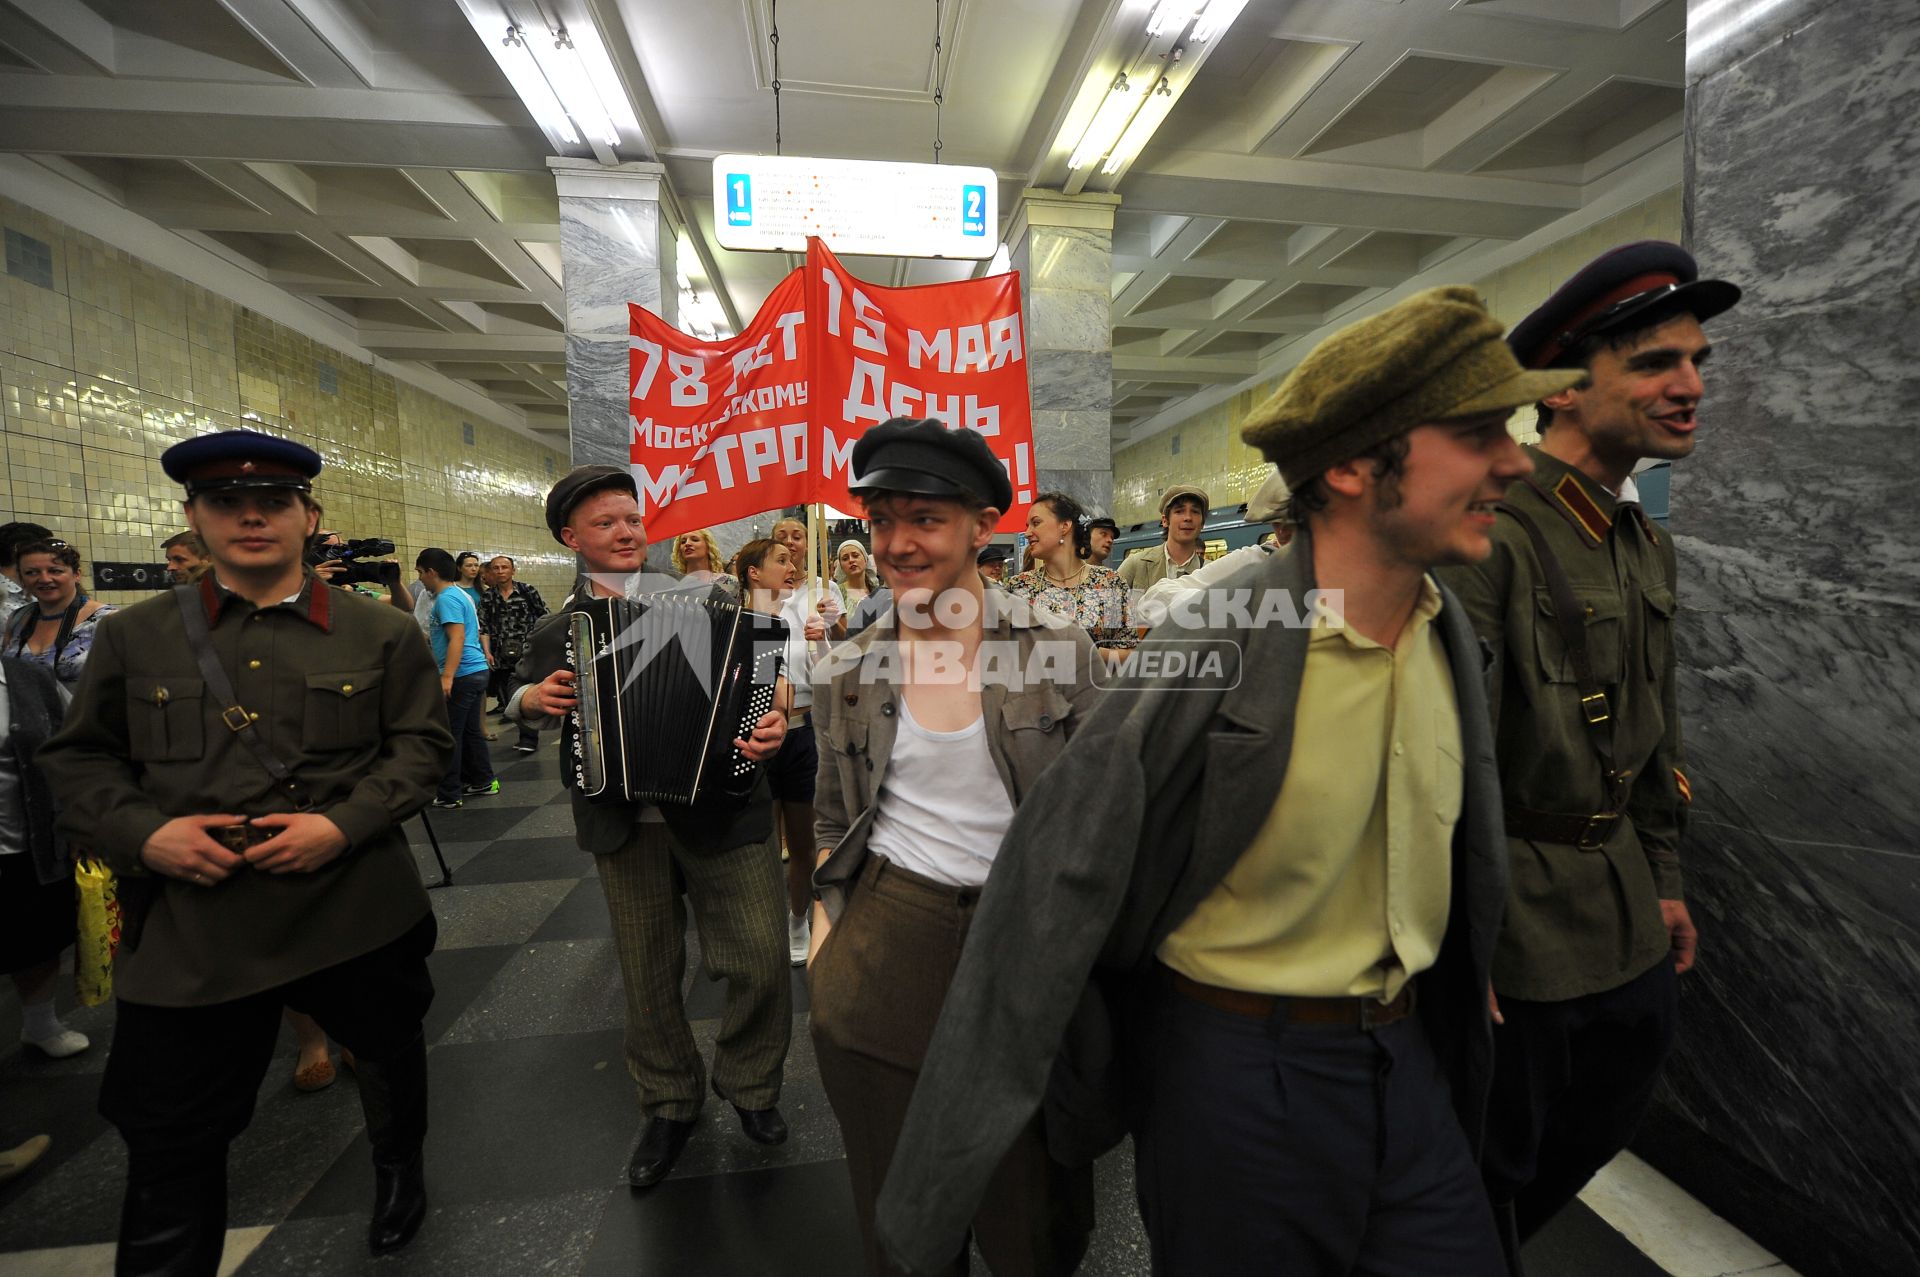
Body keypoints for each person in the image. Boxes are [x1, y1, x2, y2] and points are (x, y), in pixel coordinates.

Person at [872, 287, 1584, 1277]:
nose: (1515, 459)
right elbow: (1058, 866)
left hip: (1407, 1055)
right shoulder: (1217, 638)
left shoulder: (1444, 628)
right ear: (1346, 466)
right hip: (1244, 1075)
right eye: (1474, 433)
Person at [37, 428, 452, 1269]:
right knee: (170, 1132)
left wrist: (342, 823)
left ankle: (398, 1166)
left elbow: (421, 748)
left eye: (274, 502)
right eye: (227, 502)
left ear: (311, 517)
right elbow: (78, 758)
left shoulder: (379, 633)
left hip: (352, 907)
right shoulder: (138, 637)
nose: (251, 516)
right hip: (196, 922)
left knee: (387, 1054)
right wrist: (146, 834)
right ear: (193, 518)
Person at [1435, 242, 1735, 1257]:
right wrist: (1453, 936)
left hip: (1620, 906)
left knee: (1600, 1117)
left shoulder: (1643, 538)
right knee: (1486, 1161)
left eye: (1696, 360)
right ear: (1567, 388)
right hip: (1514, 922)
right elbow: (1443, 749)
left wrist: (1663, 871)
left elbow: (1657, 724)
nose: (1689, 385)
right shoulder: (1494, 533)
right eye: (1655, 363)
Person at [809, 417, 1101, 1276]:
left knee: (1031, 1214)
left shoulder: (1057, 649)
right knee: (901, 1214)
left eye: (925, 519)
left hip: (1023, 938)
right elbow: (833, 817)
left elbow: (1108, 815)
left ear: (982, 524)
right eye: (880, 520)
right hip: (889, 934)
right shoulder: (850, 666)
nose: (897, 543)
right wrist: (831, 939)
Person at [508, 465, 791, 1190]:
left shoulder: (709, 597)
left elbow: (767, 673)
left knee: (761, 956)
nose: (628, 531)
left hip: (726, 804)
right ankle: (669, 1101)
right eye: (606, 522)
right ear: (572, 538)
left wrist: (774, 717)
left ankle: (751, 1084)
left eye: (632, 518)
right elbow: (527, 701)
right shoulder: (554, 628)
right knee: (647, 971)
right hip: (622, 823)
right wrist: (529, 700)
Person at [3, 653, 89, 1061]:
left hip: (24, 839)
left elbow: (72, 747)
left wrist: (75, 818)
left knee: (36, 935)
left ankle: (40, 1024)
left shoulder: (29, 677)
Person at [1135, 470, 1294, 623]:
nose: (1282, 531)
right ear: (1165, 520)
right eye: (1276, 522)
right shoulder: (1258, 559)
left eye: (1293, 523)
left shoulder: (1205, 564)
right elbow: (1151, 599)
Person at [1004, 492, 1136, 659]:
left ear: (1064, 527)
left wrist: (1086, 651)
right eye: (1027, 526)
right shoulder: (1019, 587)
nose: (1027, 532)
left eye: (1036, 523)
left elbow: (1130, 655)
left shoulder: (1109, 583)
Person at [416, 548, 495, 808]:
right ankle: (482, 779)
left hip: (462, 673)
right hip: (476, 671)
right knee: (471, 731)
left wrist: (447, 677)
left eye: (420, 573)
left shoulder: (446, 599)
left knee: (450, 734)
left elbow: (457, 638)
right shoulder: (460, 594)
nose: (420, 579)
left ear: (431, 572)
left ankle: (449, 793)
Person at [3, 540, 117, 689]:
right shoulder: (17, 618)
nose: (44, 579)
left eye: (55, 571)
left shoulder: (107, 621)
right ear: (22, 579)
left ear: (76, 574)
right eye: (31, 572)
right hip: (25, 710)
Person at [479, 555, 548, 751]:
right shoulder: (488, 597)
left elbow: (543, 618)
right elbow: (483, 627)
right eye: (496, 568)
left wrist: (539, 644)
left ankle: (528, 739)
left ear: (513, 570)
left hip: (527, 653)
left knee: (526, 693)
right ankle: (525, 733)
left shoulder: (527, 591)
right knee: (509, 697)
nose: (500, 571)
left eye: (504, 567)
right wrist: (487, 652)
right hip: (501, 656)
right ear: (491, 572)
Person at [1116, 485, 1210, 591]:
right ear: (1165, 520)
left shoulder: (1210, 573)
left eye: (1195, 511)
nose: (1188, 518)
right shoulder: (1135, 565)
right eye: (1179, 511)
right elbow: (1107, 605)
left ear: (1202, 522)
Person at [0, 521, 53, 633]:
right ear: (19, 549)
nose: (53, 555)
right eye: (44, 549)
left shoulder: (37, 593)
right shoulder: (3, 600)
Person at [834, 539, 881, 617]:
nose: (851, 560)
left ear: (865, 559)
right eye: (845, 558)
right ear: (841, 566)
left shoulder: (877, 593)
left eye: (855, 556)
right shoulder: (837, 594)